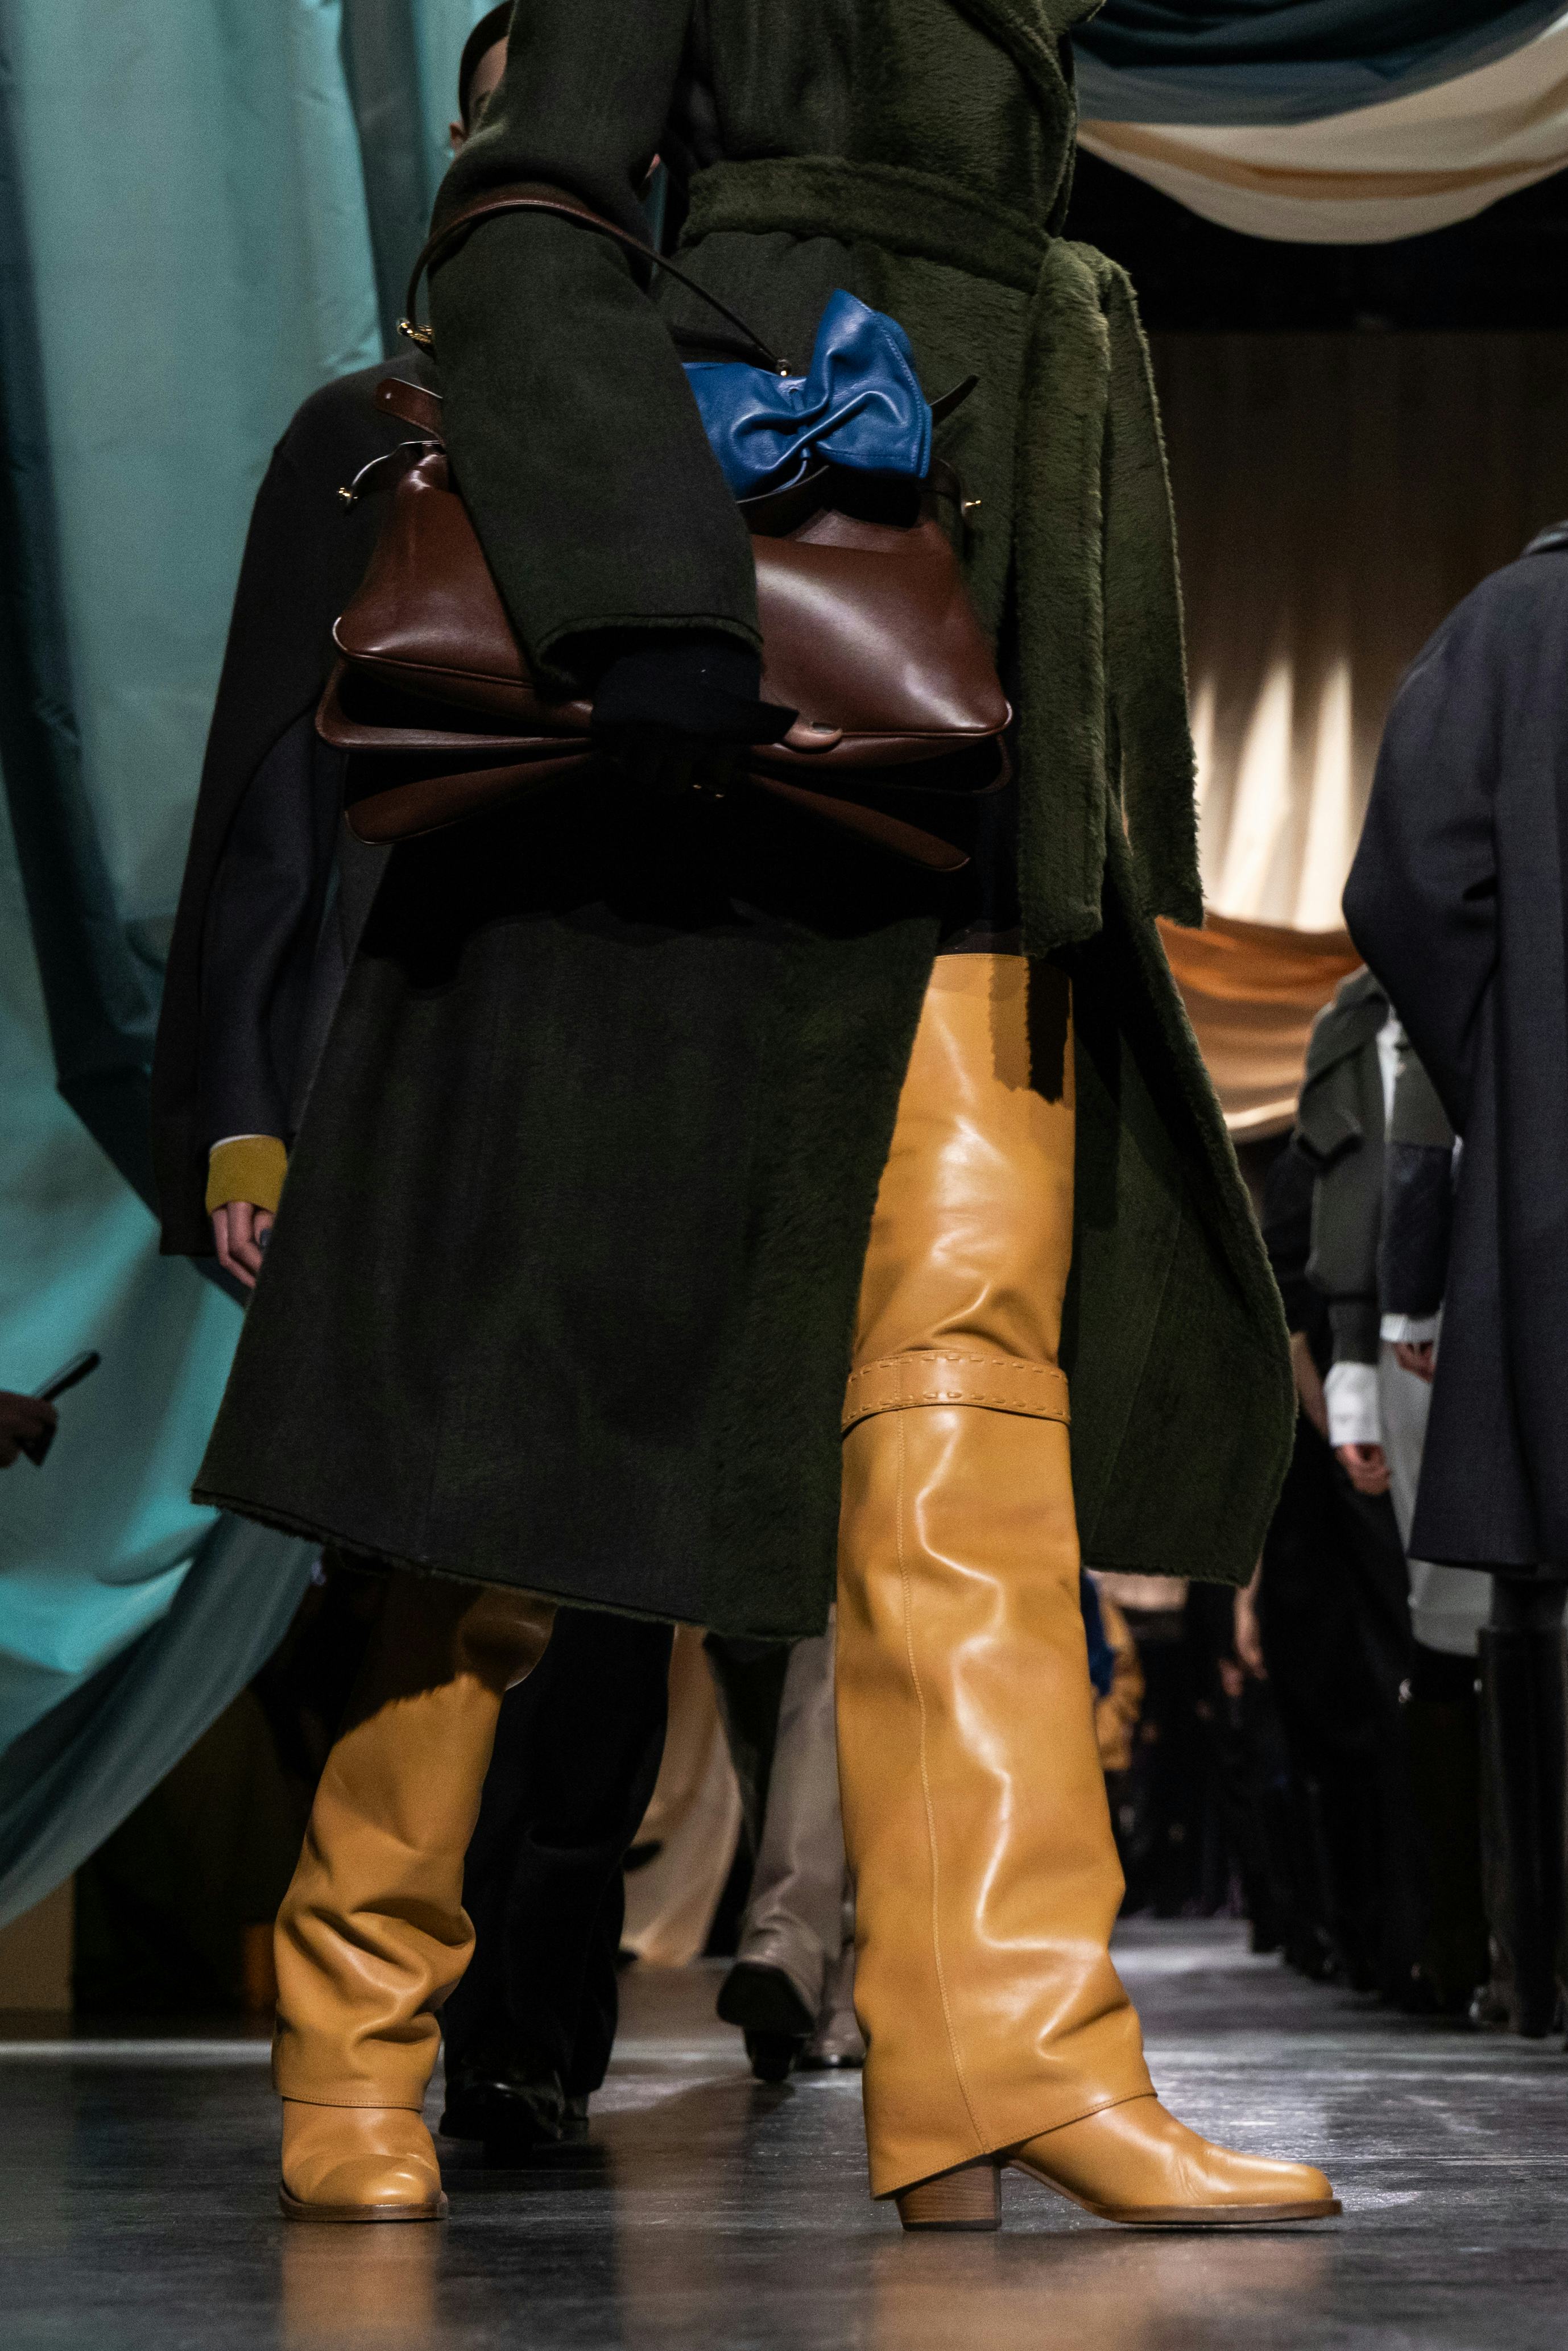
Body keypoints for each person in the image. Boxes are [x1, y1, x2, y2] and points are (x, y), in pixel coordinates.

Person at [191, 0, 1337, 2228]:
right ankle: (355, 2016)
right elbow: (525, 215)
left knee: (968, 1395)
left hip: (971, 681)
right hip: (737, 669)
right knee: (535, 1418)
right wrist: (644, 596)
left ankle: (1013, 2049)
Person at [152, 5, 671, 2159]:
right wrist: (249, 1112)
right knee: (432, 1557)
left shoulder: (711, 426)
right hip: (414, 1044)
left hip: (644, 1045)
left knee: (620, 1575)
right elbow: (265, 796)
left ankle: (533, 2040)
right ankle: (369, 2027)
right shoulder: (365, 437)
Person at [1345, 517, 1568, 2040]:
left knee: (1543, 1583)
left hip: (1556, 1179)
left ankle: (1543, 1962)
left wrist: (1512, 1072)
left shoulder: (1506, 628)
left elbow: (1408, 890)